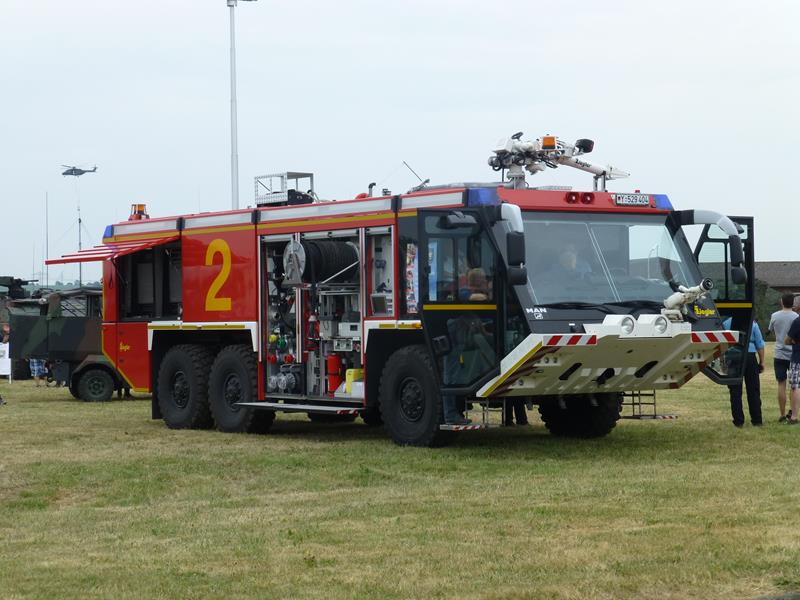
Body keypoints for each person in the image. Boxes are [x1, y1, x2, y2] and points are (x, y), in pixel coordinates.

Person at [725, 318, 765, 427]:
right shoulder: (753, 324)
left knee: (735, 391)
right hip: (750, 356)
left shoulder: (726, 323)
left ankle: (738, 421)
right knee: (753, 390)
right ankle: (757, 420)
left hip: (733, 356)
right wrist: (762, 362)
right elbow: (760, 344)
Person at [768, 294, 798, 421]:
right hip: (793, 354)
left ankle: (781, 414)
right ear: (793, 303)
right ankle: (793, 412)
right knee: (794, 385)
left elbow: (770, 329)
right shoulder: (796, 317)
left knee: (781, 383)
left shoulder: (774, 316)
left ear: (781, 301)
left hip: (779, 353)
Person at [784, 314, 800, 425]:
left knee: (795, 387)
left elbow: (787, 340)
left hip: (798, 358)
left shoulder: (797, 322)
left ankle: (794, 417)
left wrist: (794, 341)